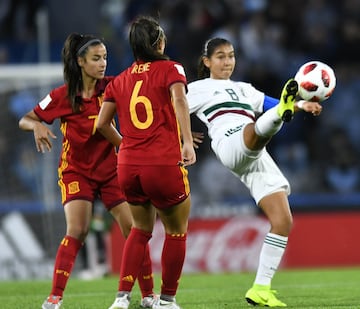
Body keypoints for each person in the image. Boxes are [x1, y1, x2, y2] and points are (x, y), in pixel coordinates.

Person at [18, 33, 156, 309]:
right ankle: (54, 298)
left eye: (104, 57)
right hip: (76, 171)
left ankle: (150, 296)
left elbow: (142, 88)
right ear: (80, 61)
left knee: (133, 229)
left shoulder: (114, 86)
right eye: (96, 59)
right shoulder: (61, 96)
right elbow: (26, 119)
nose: (103, 63)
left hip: (112, 170)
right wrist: (37, 126)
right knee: (77, 230)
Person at [186, 37, 323, 307]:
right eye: (221, 57)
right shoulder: (197, 89)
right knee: (254, 133)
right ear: (207, 62)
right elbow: (168, 110)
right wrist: (183, 134)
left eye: (231, 56)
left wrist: (301, 105)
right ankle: (276, 119)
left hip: (255, 152)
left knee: (283, 220)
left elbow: (271, 103)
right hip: (229, 140)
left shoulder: (245, 89)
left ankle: (260, 289)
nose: (227, 62)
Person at [96, 15, 196, 309]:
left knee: (140, 230)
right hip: (163, 163)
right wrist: (187, 142)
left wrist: (125, 145)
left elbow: (102, 124)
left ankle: (122, 297)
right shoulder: (171, 68)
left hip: (128, 166)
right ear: (159, 42)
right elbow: (179, 100)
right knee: (175, 231)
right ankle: (167, 300)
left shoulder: (120, 79)